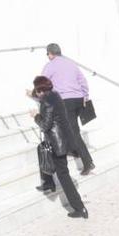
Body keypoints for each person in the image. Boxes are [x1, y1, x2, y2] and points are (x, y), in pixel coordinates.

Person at [31, 75, 89, 219]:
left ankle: (80, 208)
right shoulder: (54, 96)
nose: (36, 93)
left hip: (58, 144)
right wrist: (33, 96)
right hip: (63, 140)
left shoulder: (47, 103)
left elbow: (45, 125)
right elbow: (42, 99)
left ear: (41, 90)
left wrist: (36, 116)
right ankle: (48, 183)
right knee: (44, 153)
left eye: (36, 90)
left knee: (63, 175)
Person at [41, 42, 96, 175]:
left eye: (47, 53)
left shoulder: (50, 66)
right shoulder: (71, 64)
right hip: (78, 100)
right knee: (70, 128)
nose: (48, 56)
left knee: (73, 132)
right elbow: (83, 81)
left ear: (50, 54)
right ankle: (74, 150)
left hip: (66, 101)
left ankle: (88, 162)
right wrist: (85, 95)